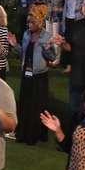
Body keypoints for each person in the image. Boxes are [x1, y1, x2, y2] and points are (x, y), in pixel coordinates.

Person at [13, 11, 60, 146]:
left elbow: (52, 58)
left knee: (37, 105)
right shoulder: (26, 34)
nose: (30, 25)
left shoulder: (47, 36)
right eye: (28, 22)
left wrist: (46, 49)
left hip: (39, 76)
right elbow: (24, 53)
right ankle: (23, 132)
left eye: (33, 22)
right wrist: (14, 45)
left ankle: (35, 134)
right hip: (26, 74)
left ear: (41, 22)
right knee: (25, 104)